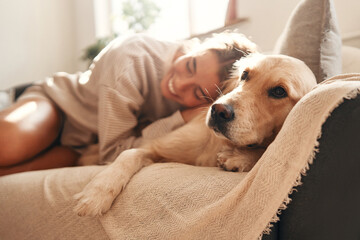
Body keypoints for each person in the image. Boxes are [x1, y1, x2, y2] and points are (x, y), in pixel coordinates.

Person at [0, 32, 257, 176]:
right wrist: (180, 118)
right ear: (195, 48)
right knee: (7, 146)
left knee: (9, 176)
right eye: (190, 65)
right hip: (61, 106)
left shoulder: (204, 110)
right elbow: (114, 154)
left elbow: (107, 152)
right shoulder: (132, 58)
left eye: (197, 92)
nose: (179, 85)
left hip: (83, 146)